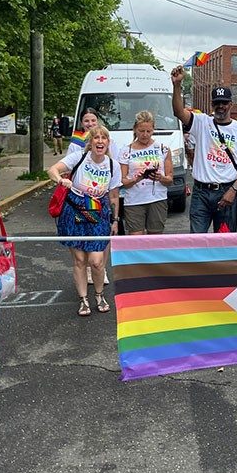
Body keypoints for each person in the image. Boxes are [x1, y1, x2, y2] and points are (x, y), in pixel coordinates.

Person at [47, 124, 121, 317]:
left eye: (103, 138)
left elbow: (113, 196)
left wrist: (115, 220)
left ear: (108, 143)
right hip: (74, 209)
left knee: (96, 261)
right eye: (96, 138)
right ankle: (83, 300)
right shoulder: (79, 157)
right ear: (90, 142)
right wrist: (60, 180)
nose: (100, 141)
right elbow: (52, 170)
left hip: (98, 212)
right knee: (80, 260)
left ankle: (99, 294)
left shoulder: (113, 165)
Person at [171, 67, 237, 233]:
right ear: (212, 104)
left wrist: (234, 190)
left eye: (224, 103)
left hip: (227, 191)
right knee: (196, 240)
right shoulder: (202, 122)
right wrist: (177, 85)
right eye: (217, 103)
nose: (220, 106)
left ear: (230, 104)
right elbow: (178, 112)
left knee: (224, 242)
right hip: (201, 193)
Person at [68, 107, 115, 284]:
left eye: (93, 120)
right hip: (82, 200)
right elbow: (69, 168)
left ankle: (100, 268)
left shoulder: (107, 139)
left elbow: (113, 166)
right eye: (86, 121)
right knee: (85, 234)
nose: (90, 124)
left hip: (102, 197)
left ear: (98, 122)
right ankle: (87, 270)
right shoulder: (76, 143)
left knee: (103, 233)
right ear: (82, 123)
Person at [118, 111, 173, 235]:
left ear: (153, 130)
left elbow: (170, 179)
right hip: (134, 201)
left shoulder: (162, 148)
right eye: (141, 131)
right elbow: (122, 182)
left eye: (148, 131)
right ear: (135, 129)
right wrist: (136, 178)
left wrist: (160, 178)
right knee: (136, 239)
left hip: (157, 199)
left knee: (155, 239)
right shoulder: (126, 150)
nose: (145, 135)